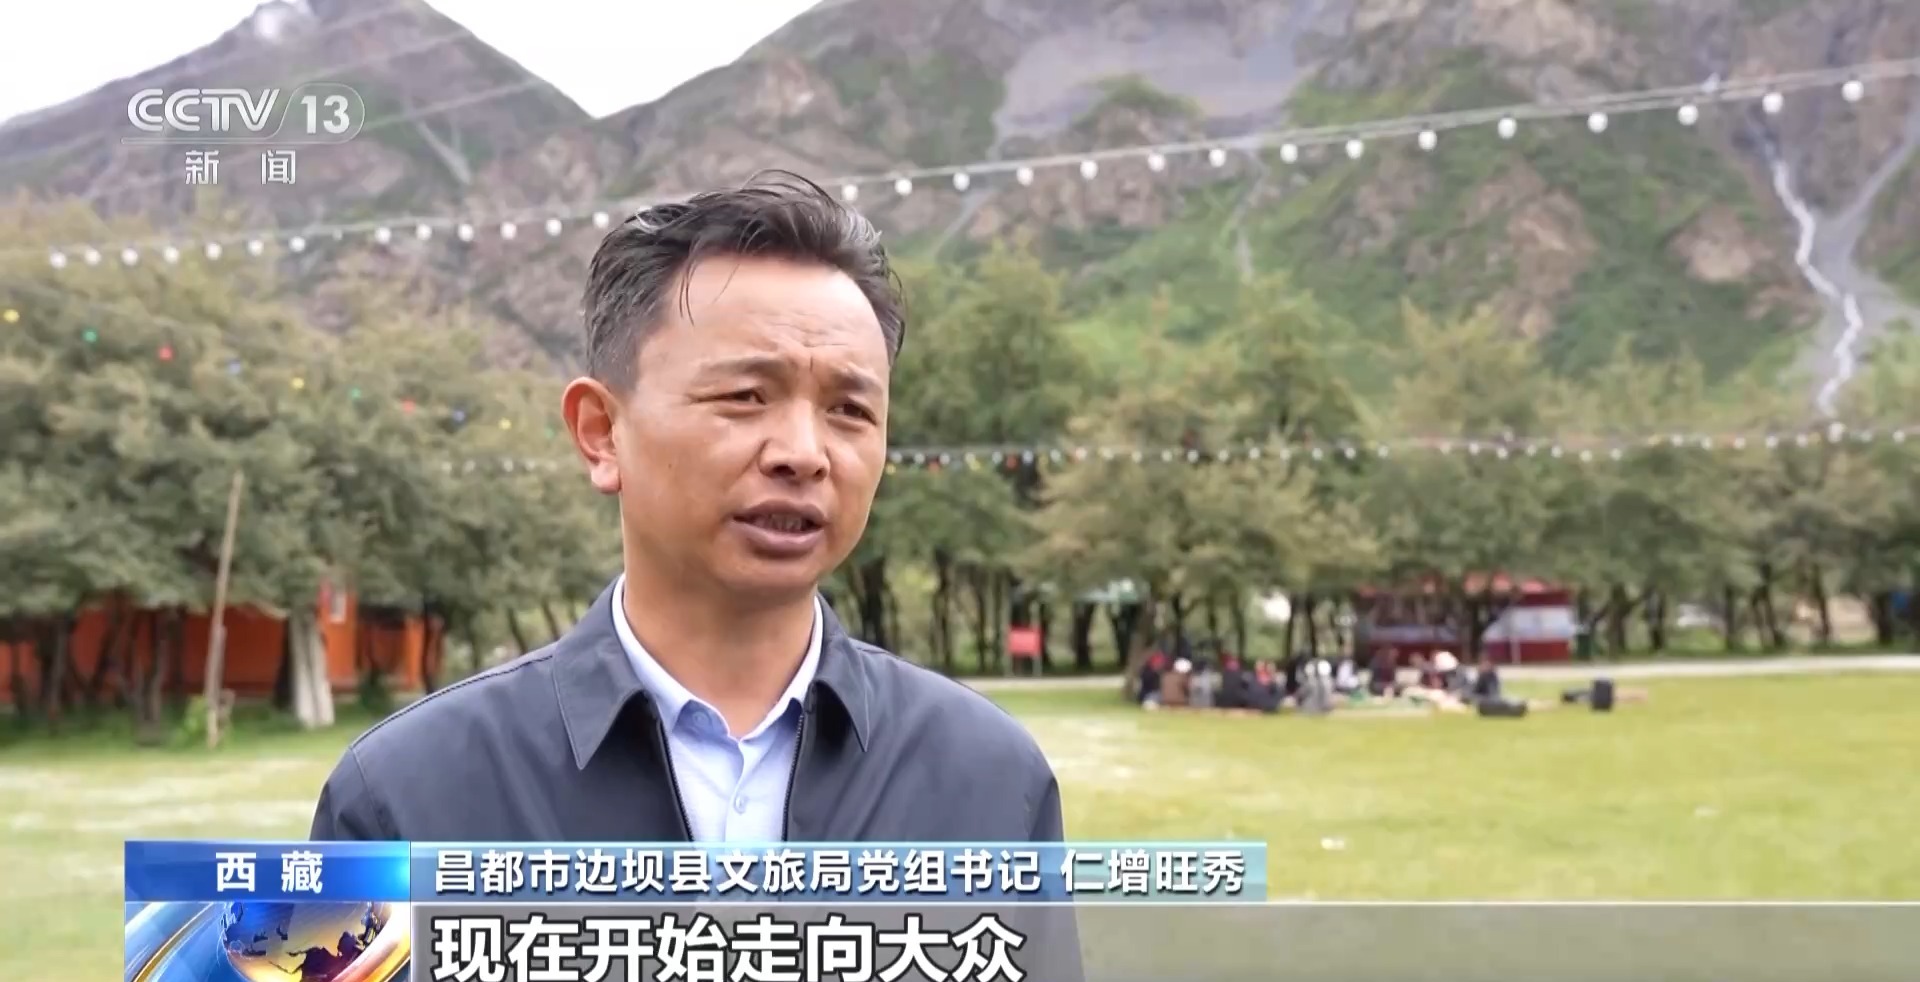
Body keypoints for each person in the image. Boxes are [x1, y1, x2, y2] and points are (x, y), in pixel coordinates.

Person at [309, 174, 1068, 848]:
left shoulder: (994, 783)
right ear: (601, 433)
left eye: (848, 410)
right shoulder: (402, 798)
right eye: (746, 396)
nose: (803, 453)